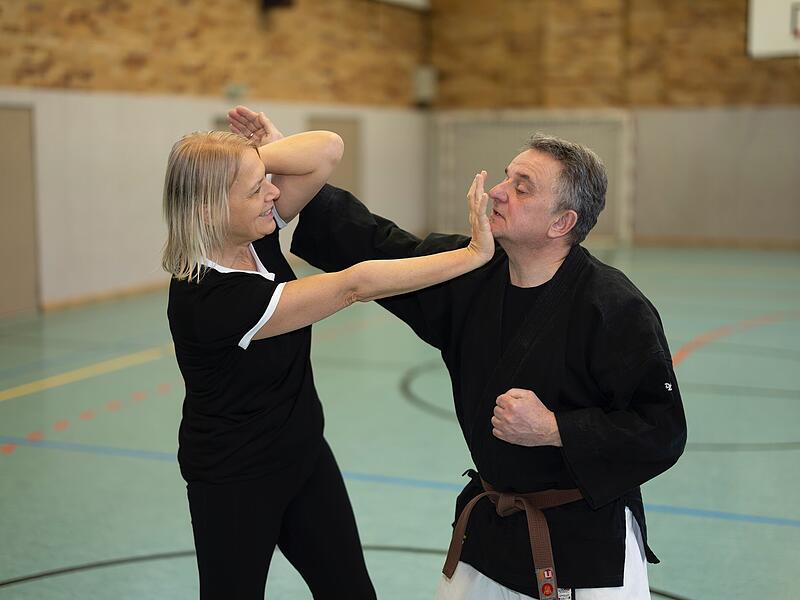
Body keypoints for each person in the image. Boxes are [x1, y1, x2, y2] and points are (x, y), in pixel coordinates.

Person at [232, 105, 687, 600]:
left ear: (562, 222)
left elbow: (661, 431)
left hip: (585, 545)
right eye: (507, 177)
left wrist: (555, 428)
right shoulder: (470, 274)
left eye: (523, 187)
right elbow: (383, 247)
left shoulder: (614, 307)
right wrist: (289, 169)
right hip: (490, 530)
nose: (498, 191)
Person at [162, 113, 494, 599]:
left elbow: (328, 149)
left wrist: (248, 160)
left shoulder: (254, 236)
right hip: (235, 477)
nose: (273, 192)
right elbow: (353, 285)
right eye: (256, 189)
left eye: (265, 180)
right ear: (210, 209)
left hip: (304, 456)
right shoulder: (210, 299)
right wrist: (471, 256)